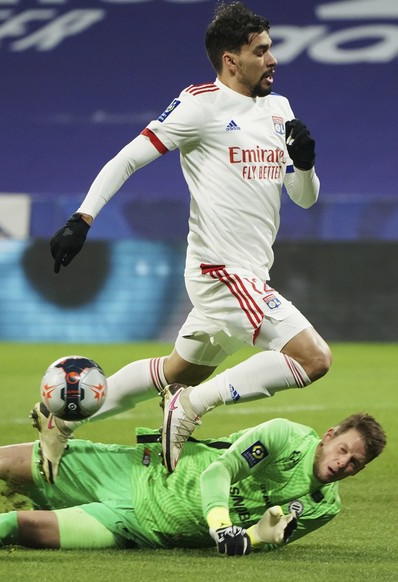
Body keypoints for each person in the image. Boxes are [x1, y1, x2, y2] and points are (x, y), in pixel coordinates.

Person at [35, 1, 331, 483]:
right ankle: (190, 408)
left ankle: (60, 420)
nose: (273, 59)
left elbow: (304, 199)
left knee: (179, 371)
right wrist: (82, 218)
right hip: (221, 270)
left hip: (250, 273)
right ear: (231, 60)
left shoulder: (279, 110)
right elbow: (126, 159)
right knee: (313, 359)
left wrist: (305, 163)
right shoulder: (199, 106)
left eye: (271, 48)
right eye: (261, 51)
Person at [0, 412, 386, 556]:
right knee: (0, 463)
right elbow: (222, 469)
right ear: (329, 435)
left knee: (13, 529)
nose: (343, 465)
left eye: (355, 465)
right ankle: (59, 442)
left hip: (137, 526)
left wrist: (261, 538)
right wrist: (225, 525)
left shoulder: (323, 508)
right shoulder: (285, 437)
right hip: (142, 471)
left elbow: (270, 539)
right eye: (344, 451)